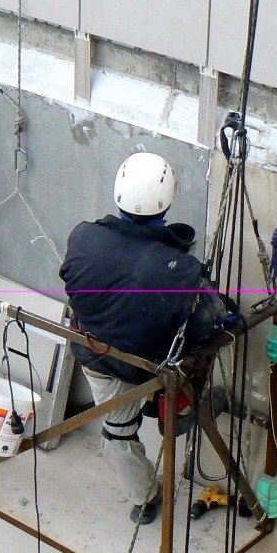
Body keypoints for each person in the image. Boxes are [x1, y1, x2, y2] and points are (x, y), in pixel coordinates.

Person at [59, 152, 232, 525]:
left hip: (97, 356)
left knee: (117, 433)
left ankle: (144, 497)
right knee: (193, 350)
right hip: (148, 367)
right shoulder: (181, 271)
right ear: (167, 201)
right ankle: (180, 405)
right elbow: (209, 325)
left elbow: (73, 282)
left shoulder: (83, 237)